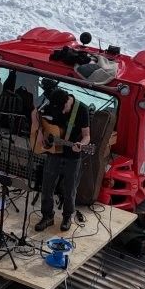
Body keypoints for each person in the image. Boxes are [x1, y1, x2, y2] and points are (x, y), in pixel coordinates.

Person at [32, 87, 90, 233]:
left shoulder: (81, 110)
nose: (62, 112)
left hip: (73, 156)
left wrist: (81, 145)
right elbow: (35, 114)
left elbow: (87, 135)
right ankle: (47, 216)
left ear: (67, 101)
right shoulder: (53, 104)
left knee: (70, 189)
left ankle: (67, 217)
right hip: (54, 153)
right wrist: (40, 132)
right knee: (47, 186)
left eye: (63, 109)